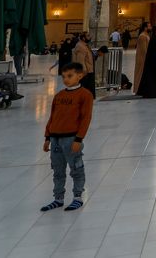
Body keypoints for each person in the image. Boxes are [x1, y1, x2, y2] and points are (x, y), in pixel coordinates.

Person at [40, 62, 93, 212]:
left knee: (76, 168)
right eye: (64, 76)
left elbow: (85, 118)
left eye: (70, 76)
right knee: (57, 170)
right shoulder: (59, 96)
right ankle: (58, 198)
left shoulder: (85, 95)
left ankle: (77, 197)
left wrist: (79, 139)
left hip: (71, 139)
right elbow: (52, 117)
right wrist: (47, 137)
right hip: (55, 139)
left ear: (80, 76)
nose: (66, 79)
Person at [136, 33, 156, 99]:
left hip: (150, 62)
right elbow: (144, 49)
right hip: (148, 61)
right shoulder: (144, 36)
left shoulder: (150, 38)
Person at [132, 23, 150, 94]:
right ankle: (138, 89)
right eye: (149, 26)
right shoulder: (142, 36)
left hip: (144, 58)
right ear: (145, 28)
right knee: (140, 73)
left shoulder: (146, 35)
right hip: (142, 59)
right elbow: (144, 49)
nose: (150, 28)